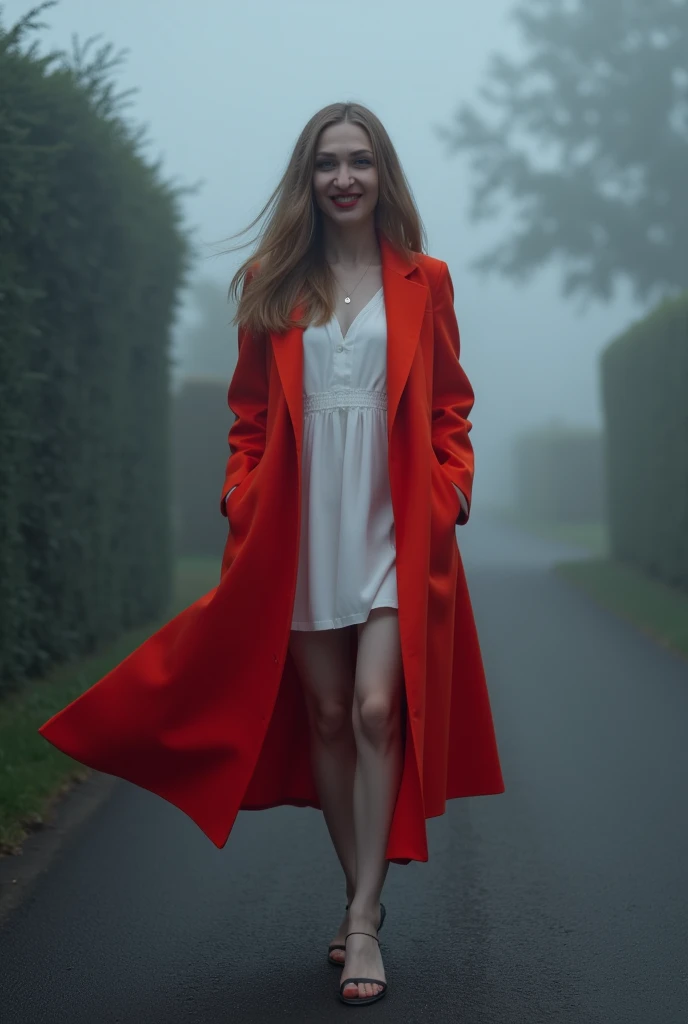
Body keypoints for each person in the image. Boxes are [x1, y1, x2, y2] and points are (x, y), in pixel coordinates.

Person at [38, 101, 505, 1009]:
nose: (343, 178)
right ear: (307, 177)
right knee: (329, 714)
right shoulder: (271, 282)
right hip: (296, 529)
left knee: (378, 706)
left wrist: (450, 490)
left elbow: (452, 405)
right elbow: (248, 418)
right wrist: (240, 498)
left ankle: (364, 918)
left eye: (360, 162)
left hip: (395, 526)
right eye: (327, 163)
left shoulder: (426, 280)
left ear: (383, 175)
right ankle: (356, 890)